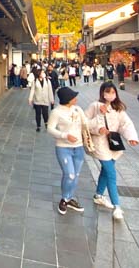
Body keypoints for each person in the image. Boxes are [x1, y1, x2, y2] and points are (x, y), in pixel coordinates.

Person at [85, 82, 139, 220]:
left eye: (113, 92)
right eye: (108, 92)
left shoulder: (118, 108)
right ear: (102, 93)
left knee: (106, 171)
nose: (110, 95)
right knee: (111, 173)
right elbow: (85, 123)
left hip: (113, 143)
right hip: (100, 144)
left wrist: (131, 137)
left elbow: (125, 124)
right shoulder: (95, 106)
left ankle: (98, 195)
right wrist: (98, 129)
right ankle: (117, 206)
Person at [47, 87, 87, 215]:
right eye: (73, 97)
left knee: (76, 175)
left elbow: (86, 123)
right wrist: (64, 135)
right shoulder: (56, 112)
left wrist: (101, 117)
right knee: (69, 174)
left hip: (79, 147)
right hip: (63, 147)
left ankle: (69, 198)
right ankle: (64, 199)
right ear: (67, 99)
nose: (76, 98)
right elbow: (50, 129)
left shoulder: (78, 109)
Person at [29, 67, 55, 132]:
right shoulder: (35, 81)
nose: (44, 74)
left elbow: (50, 90)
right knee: (38, 114)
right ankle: (38, 126)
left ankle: (46, 123)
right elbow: (32, 90)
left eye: (44, 72)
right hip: (37, 100)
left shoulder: (47, 80)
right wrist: (30, 99)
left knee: (45, 113)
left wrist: (51, 99)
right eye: (42, 72)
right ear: (39, 74)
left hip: (45, 100)